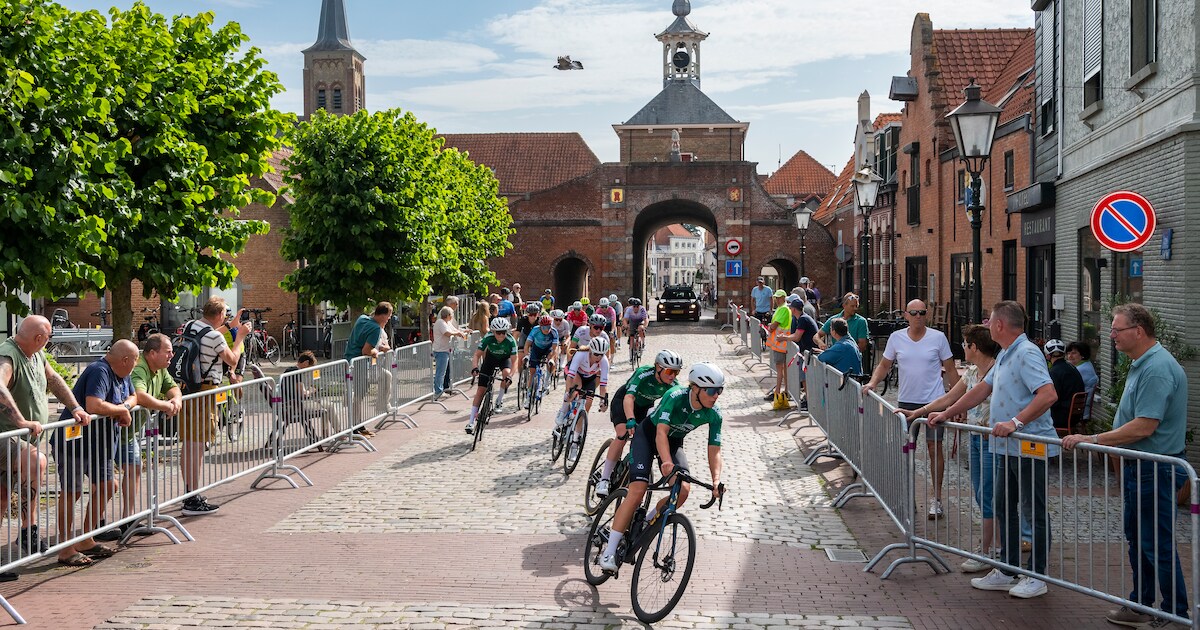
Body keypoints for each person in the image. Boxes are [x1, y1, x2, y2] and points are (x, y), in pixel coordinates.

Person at [1063, 303, 1190, 626]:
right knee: (1139, 538)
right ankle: (1143, 604)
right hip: (1141, 466)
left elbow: (1145, 426)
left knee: (1155, 541)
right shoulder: (1141, 363)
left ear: (1139, 331)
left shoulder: (1157, 368)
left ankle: (1174, 612)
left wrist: (1093, 440)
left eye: (1118, 329)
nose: (1112, 335)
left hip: (1155, 468)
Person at [929, 301, 1057, 600]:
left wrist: (1015, 421)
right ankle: (1008, 569)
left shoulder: (1026, 353)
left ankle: (1037, 575)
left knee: (1031, 509)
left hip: (1029, 445)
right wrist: (947, 413)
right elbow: (981, 390)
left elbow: (1048, 394)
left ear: (999, 325)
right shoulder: (1005, 356)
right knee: (1002, 505)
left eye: (990, 323)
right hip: (1006, 446)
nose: (987, 327)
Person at [598, 363, 726, 573]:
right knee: (638, 490)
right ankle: (609, 552)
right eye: (712, 391)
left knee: (683, 491)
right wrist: (666, 462)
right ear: (695, 388)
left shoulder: (715, 414)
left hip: (674, 443)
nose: (716, 396)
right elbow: (660, 433)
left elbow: (715, 449)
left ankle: (647, 523)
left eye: (719, 391)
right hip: (648, 435)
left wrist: (715, 480)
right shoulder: (675, 396)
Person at [900, 325, 1001, 573]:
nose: (962, 348)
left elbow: (963, 401)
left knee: (991, 496)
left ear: (974, 348)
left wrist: (944, 414)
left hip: (994, 440)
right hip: (977, 439)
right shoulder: (972, 372)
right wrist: (920, 412)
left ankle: (990, 550)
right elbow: (950, 397)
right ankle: (994, 547)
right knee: (981, 493)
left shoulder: (998, 371)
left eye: (965, 344)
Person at [0, 316, 87, 574]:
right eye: (47, 338)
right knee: (36, 461)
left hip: (21, 439)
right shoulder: (8, 355)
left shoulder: (36, 355)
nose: (48, 343)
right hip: (5, 437)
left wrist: (75, 407)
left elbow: (53, 380)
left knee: (2, 498)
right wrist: (21, 421)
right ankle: (29, 529)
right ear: (39, 338)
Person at [865, 300, 959, 519]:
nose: (919, 316)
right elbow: (884, 365)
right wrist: (872, 383)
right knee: (906, 450)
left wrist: (957, 402)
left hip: (935, 402)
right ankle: (907, 495)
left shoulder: (938, 338)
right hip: (907, 403)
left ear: (926, 314)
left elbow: (952, 369)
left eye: (922, 313)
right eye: (914, 313)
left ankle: (936, 499)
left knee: (935, 448)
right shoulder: (896, 338)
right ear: (906, 314)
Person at [51, 339, 138, 566]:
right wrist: (121, 410)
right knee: (72, 492)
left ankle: (86, 538)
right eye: (134, 362)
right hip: (75, 443)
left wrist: (124, 408)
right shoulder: (99, 371)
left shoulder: (122, 373)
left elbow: (134, 396)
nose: (134, 367)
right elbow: (93, 405)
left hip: (101, 445)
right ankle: (65, 547)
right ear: (124, 360)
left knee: (109, 485)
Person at [102, 334, 182, 543]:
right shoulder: (139, 368)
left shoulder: (160, 368)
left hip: (127, 433)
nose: (172, 355)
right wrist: (165, 405)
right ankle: (96, 524)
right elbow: (139, 394)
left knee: (134, 469)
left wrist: (176, 398)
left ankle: (128, 519)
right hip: (108, 431)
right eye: (168, 351)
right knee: (103, 481)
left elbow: (172, 386)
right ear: (152, 353)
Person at [179, 297, 251, 516]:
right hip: (205, 391)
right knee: (198, 445)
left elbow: (208, 335)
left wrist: (230, 326)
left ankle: (189, 492)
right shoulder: (216, 337)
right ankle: (192, 497)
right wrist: (239, 337)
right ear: (220, 315)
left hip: (186, 389)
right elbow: (231, 360)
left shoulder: (192, 326)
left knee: (188, 443)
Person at [596, 350, 683, 497]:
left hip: (644, 407)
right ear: (658, 367)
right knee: (622, 434)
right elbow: (629, 397)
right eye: (669, 371)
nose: (672, 376)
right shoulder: (643, 374)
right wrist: (630, 419)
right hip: (624, 401)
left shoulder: (673, 385)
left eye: (676, 372)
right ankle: (604, 479)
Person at [557, 336, 610, 461]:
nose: (598, 357)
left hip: (589, 378)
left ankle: (575, 443)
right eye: (596, 354)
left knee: (586, 407)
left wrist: (603, 401)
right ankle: (563, 410)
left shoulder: (604, 361)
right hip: (574, 374)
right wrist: (569, 392)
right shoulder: (581, 354)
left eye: (601, 354)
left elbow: (603, 385)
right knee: (576, 388)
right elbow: (570, 377)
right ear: (591, 351)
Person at [344, 302, 394, 439]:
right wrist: (377, 351)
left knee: (357, 396)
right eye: (389, 315)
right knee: (358, 396)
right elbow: (366, 350)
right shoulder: (375, 329)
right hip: (358, 363)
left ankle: (358, 425)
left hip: (349, 359)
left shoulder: (362, 318)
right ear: (383, 315)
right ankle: (354, 428)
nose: (389, 318)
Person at [467, 317, 516, 433]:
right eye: (498, 333)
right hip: (490, 359)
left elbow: (515, 361)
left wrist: (510, 376)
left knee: (506, 373)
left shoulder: (510, 340)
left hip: (505, 359)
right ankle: (470, 422)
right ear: (493, 332)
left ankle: (499, 400)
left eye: (503, 332)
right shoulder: (488, 337)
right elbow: (476, 355)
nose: (501, 335)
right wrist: (474, 367)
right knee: (480, 390)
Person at [782, 294, 819, 411]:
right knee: (804, 377)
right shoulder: (802, 318)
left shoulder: (803, 319)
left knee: (805, 378)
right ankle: (807, 399)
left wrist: (784, 338)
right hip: (806, 352)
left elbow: (797, 337)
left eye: (790, 308)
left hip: (809, 353)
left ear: (793, 309)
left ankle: (809, 401)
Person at [1043, 339, 1085, 432]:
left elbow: (1053, 399)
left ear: (1047, 356)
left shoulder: (1054, 372)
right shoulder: (1072, 367)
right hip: (1075, 416)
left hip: (1061, 417)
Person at [432, 306, 469, 399]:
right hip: (441, 350)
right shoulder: (440, 322)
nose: (452, 316)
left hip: (445, 349)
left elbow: (454, 330)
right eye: (451, 315)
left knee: (444, 371)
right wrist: (457, 334)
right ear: (448, 315)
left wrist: (464, 331)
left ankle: (443, 389)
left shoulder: (447, 322)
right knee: (440, 372)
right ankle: (438, 391)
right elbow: (447, 332)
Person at [521, 315, 559, 403]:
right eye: (544, 327)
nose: (547, 329)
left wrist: (552, 359)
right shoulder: (535, 330)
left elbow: (554, 348)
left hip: (548, 349)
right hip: (536, 349)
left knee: (551, 363)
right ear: (540, 326)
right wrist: (526, 355)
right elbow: (527, 345)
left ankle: (547, 380)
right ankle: (529, 395)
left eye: (549, 326)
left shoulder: (554, 332)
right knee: (532, 372)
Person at [765, 289, 792, 410]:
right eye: (776, 297)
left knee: (780, 368)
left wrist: (770, 327)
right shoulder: (783, 309)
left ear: (783, 298)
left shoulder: (783, 309)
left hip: (780, 344)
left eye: (778, 298)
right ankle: (785, 391)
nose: (776, 300)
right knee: (783, 369)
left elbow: (774, 325)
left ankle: (778, 391)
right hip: (780, 343)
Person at [1065, 340, 1098, 424]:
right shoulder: (1086, 365)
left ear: (1082, 355)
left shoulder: (1081, 370)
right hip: (1079, 409)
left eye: (1074, 353)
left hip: (1077, 412)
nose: (1070, 356)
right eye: (1068, 353)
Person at [514, 303, 542, 376]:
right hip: (525, 337)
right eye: (530, 315)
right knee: (520, 357)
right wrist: (513, 343)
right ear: (527, 314)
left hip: (536, 338)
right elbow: (517, 332)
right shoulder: (522, 320)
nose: (533, 317)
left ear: (538, 314)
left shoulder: (540, 321)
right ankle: (521, 377)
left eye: (535, 315)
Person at [549, 309, 572, 373]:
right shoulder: (551, 323)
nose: (558, 322)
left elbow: (568, 336)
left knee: (565, 346)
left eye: (560, 320)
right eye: (556, 319)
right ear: (553, 319)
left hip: (562, 337)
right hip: (553, 337)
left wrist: (566, 342)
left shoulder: (565, 323)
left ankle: (562, 362)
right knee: (553, 348)